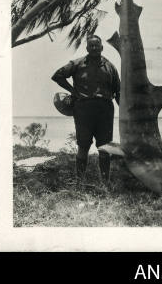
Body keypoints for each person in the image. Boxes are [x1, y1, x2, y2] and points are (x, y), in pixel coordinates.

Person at [51, 35, 120, 185]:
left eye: (97, 45)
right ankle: (79, 183)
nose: (94, 48)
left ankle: (105, 185)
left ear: (102, 47)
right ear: (87, 48)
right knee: (83, 146)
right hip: (83, 110)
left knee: (105, 149)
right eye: (91, 46)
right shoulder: (77, 64)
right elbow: (57, 75)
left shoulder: (110, 67)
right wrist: (72, 90)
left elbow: (119, 92)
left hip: (105, 111)